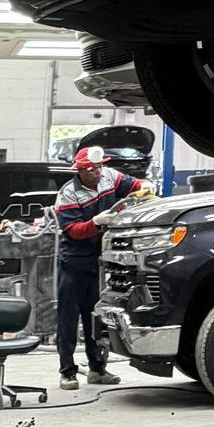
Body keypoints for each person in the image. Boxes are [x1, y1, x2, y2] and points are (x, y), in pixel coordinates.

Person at [52, 143, 129, 389]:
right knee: (68, 318)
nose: (98, 173)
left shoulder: (109, 176)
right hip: (74, 261)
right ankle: (67, 372)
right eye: (93, 170)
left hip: (99, 260)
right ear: (81, 171)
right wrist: (96, 222)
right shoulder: (68, 194)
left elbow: (132, 184)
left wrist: (144, 187)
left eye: (99, 167)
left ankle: (97, 369)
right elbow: (73, 231)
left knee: (95, 317)